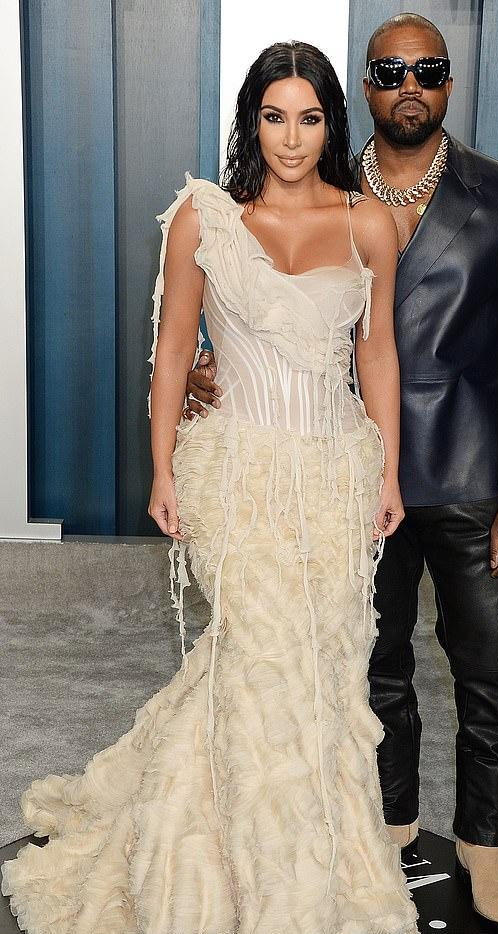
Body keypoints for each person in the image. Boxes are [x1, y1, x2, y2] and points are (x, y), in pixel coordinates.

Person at [1, 42, 419, 934]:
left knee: (319, 670)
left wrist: (388, 469)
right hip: (236, 475)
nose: (291, 138)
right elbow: (170, 353)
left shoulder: (368, 225)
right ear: (249, 122)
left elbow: (377, 351)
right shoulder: (205, 217)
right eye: (273, 117)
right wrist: (162, 468)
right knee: (261, 656)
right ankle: (253, 886)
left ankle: (306, 859)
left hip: (334, 474)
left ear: (332, 124)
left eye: (309, 118)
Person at [186, 14, 498, 931]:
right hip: (350, 476)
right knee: (370, 664)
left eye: (427, 69)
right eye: (390, 70)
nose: (409, 85)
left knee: (488, 670)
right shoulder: (319, 184)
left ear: (447, 83)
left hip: (471, 475)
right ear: (364, 86)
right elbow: (280, 316)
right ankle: (389, 823)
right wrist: (215, 368)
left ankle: (483, 843)